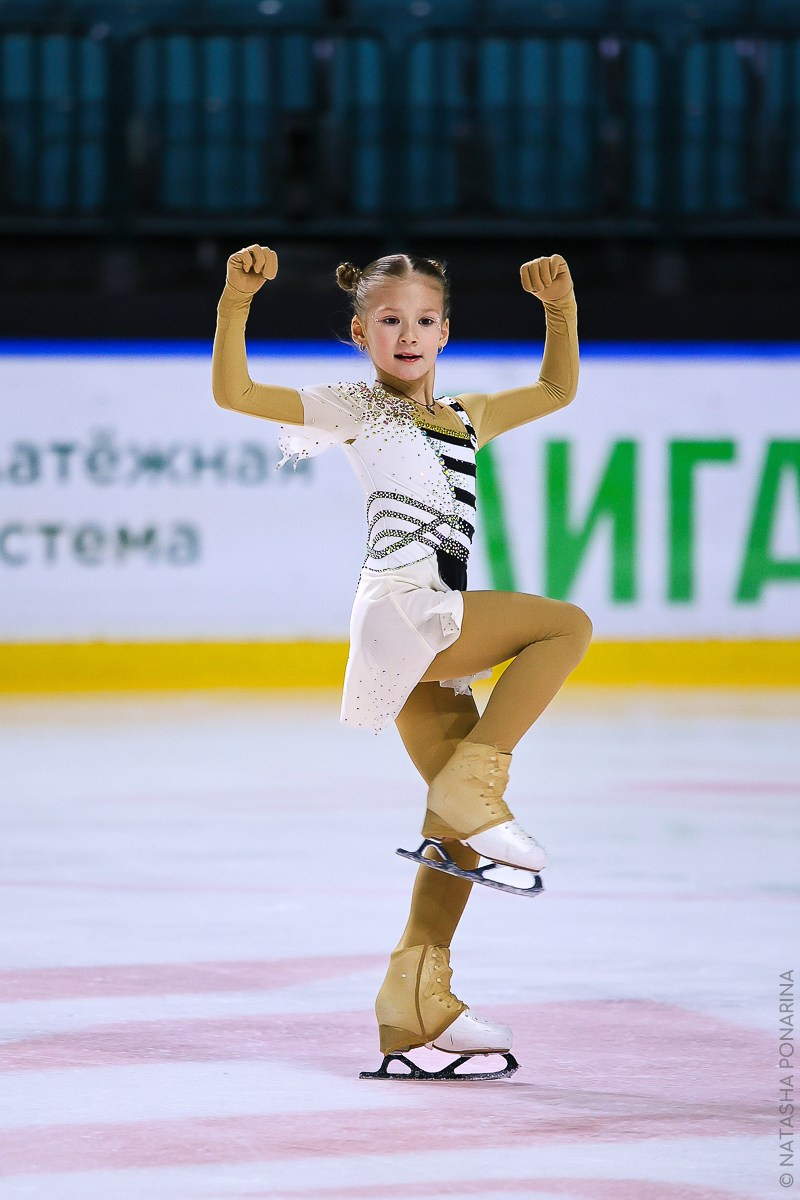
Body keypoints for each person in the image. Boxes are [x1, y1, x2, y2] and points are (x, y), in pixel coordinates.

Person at [212, 244, 592, 1080]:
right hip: (408, 607)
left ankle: (417, 1003)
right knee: (564, 625)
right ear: (360, 334)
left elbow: (559, 389)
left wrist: (559, 312)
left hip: (417, 633)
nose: (407, 333)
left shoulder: (467, 415)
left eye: (423, 320)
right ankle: (480, 776)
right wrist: (237, 301)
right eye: (389, 320)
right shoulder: (355, 406)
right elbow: (234, 393)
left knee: (450, 834)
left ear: (446, 331)